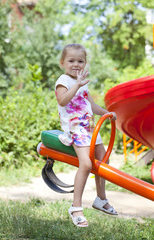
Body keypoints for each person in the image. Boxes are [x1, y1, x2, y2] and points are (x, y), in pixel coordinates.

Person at [55, 43, 117, 228]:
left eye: (80, 61)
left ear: (85, 63)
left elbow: (92, 106)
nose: (76, 64)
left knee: (103, 161)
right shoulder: (63, 81)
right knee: (86, 164)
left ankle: (101, 199)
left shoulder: (83, 84)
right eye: (71, 60)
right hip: (75, 130)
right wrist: (77, 85)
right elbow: (63, 100)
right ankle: (76, 208)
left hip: (90, 129)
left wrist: (107, 113)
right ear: (62, 63)